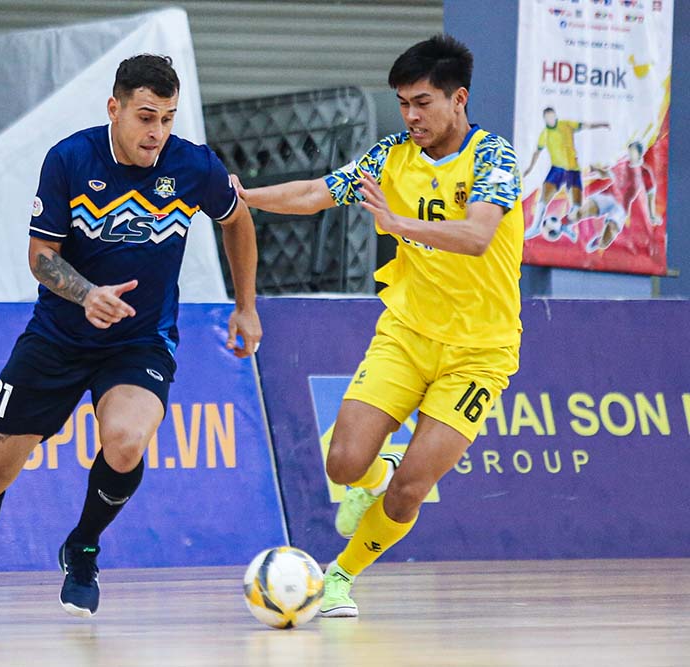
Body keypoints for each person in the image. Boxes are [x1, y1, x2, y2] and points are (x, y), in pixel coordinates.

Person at [0, 54, 261, 624]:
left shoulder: (195, 166)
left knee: (127, 441)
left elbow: (236, 219)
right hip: (58, 337)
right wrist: (87, 294)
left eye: (168, 118)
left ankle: (84, 547)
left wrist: (245, 306)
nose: (157, 132)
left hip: (139, 341)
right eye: (146, 117)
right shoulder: (70, 159)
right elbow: (41, 257)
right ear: (114, 108)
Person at [234, 34, 523, 617]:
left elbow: (476, 235)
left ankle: (339, 577)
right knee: (343, 463)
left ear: (458, 99)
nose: (411, 116)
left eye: (423, 102)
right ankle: (373, 473)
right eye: (403, 104)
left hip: (479, 354)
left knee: (411, 488)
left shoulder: (494, 157)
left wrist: (399, 223)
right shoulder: (391, 156)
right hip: (407, 334)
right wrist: (242, 195)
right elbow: (315, 192)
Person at [522, 107, 609, 239]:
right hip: (557, 169)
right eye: (548, 117)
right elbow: (537, 152)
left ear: (555, 116)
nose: (550, 119)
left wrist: (602, 124)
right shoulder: (544, 134)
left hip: (573, 169)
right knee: (544, 196)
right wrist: (529, 168)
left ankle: (567, 227)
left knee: (577, 204)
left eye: (552, 116)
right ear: (544, 119)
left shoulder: (566, 124)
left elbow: (585, 125)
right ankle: (535, 227)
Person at [579, 141, 661, 253]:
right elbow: (606, 173)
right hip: (606, 197)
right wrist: (594, 169)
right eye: (629, 151)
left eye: (633, 152)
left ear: (639, 154)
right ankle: (562, 225)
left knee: (604, 243)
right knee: (580, 212)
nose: (630, 154)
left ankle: (600, 241)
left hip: (621, 207)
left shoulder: (644, 172)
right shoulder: (622, 164)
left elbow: (650, 193)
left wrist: (652, 214)